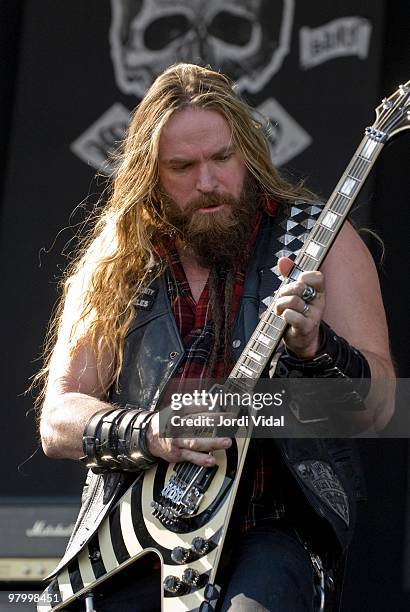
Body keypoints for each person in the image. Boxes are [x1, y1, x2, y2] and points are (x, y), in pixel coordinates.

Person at [37, 63, 394, 611]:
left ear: (247, 151)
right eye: (182, 166)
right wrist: (152, 431)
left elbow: (383, 406)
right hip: (140, 525)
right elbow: (58, 419)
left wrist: (316, 350)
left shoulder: (321, 240)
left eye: (222, 159)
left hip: (273, 522)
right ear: (149, 173)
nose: (208, 183)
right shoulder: (117, 257)